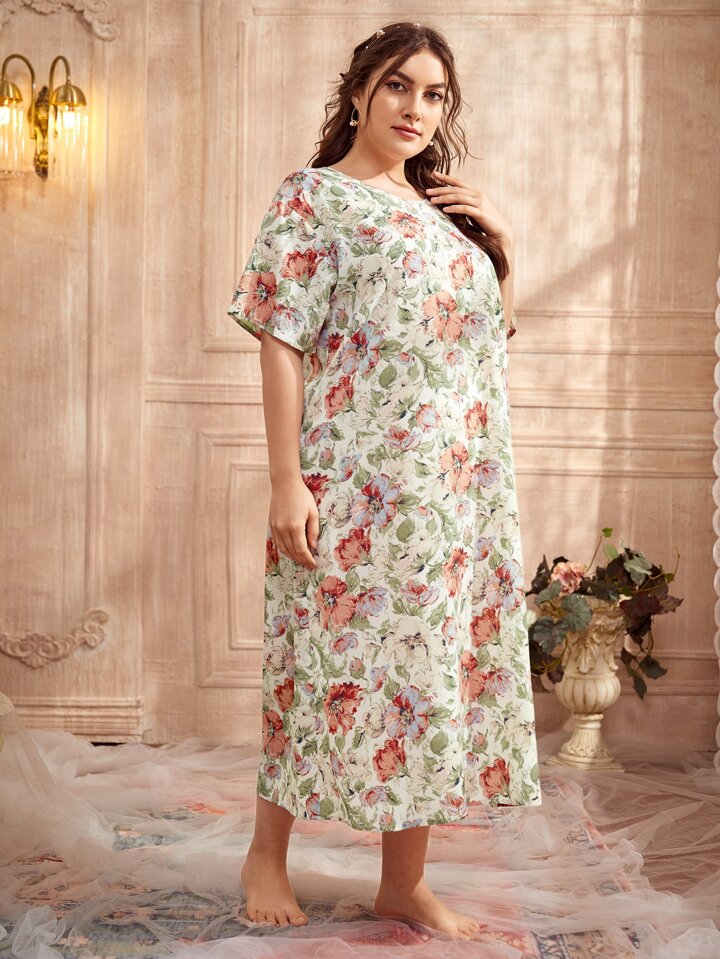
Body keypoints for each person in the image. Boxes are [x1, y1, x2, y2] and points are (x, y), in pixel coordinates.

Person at [227, 20, 541, 942]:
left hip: (453, 493)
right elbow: (281, 338)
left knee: (423, 679)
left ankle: (403, 882)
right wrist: (287, 480)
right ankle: (266, 852)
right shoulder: (314, 197)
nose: (416, 108)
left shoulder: (446, 217)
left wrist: (502, 248)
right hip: (356, 480)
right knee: (312, 662)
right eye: (399, 85)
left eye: (434, 94)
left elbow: (485, 343)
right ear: (360, 90)